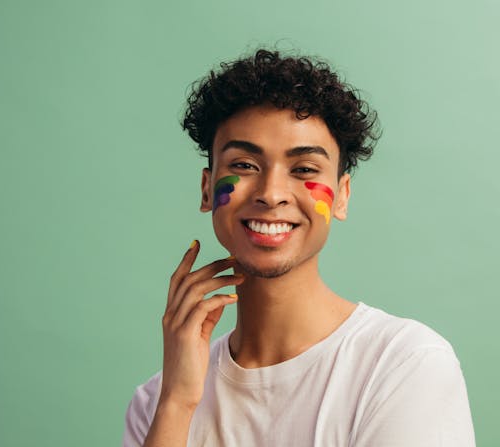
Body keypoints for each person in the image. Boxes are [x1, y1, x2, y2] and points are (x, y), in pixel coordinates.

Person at [122, 49, 475, 446]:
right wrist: (177, 404)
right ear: (207, 188)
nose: (271, 194)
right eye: (243, 165)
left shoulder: (404, 365)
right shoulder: (155, 402)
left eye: (304, 170)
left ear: (341, 197)